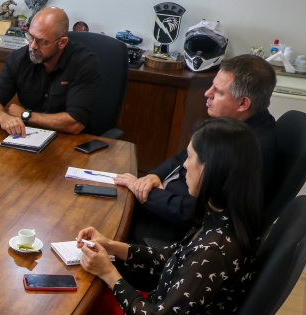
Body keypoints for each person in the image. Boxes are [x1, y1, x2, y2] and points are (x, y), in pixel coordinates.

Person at [45, 118, 263, 315]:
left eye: (191, 158)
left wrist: (110, 274)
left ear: (211, 169)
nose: (184, 165)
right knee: (65, 307)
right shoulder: (224, 216)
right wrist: (113, 247)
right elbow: (174, 257)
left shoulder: (216, 250)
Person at [118, 54, 277, 243]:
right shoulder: (233, 124)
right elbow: (183, 156)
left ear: (243, 103)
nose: (207, 93)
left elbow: (198, 212)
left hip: (171, 233)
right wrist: (154, 176)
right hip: (162, 202)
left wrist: (145, 193)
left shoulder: (247, 149)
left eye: (218, 92)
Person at [0, 7, 99, 136]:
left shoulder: (84, 63)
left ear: (62, 43)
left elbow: (75, 123)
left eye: (41, 41)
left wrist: (26, 115)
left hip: (71, 142)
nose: (33, 46)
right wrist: (3, 118)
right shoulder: (19, 59)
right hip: (28, 137)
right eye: (31, 37)